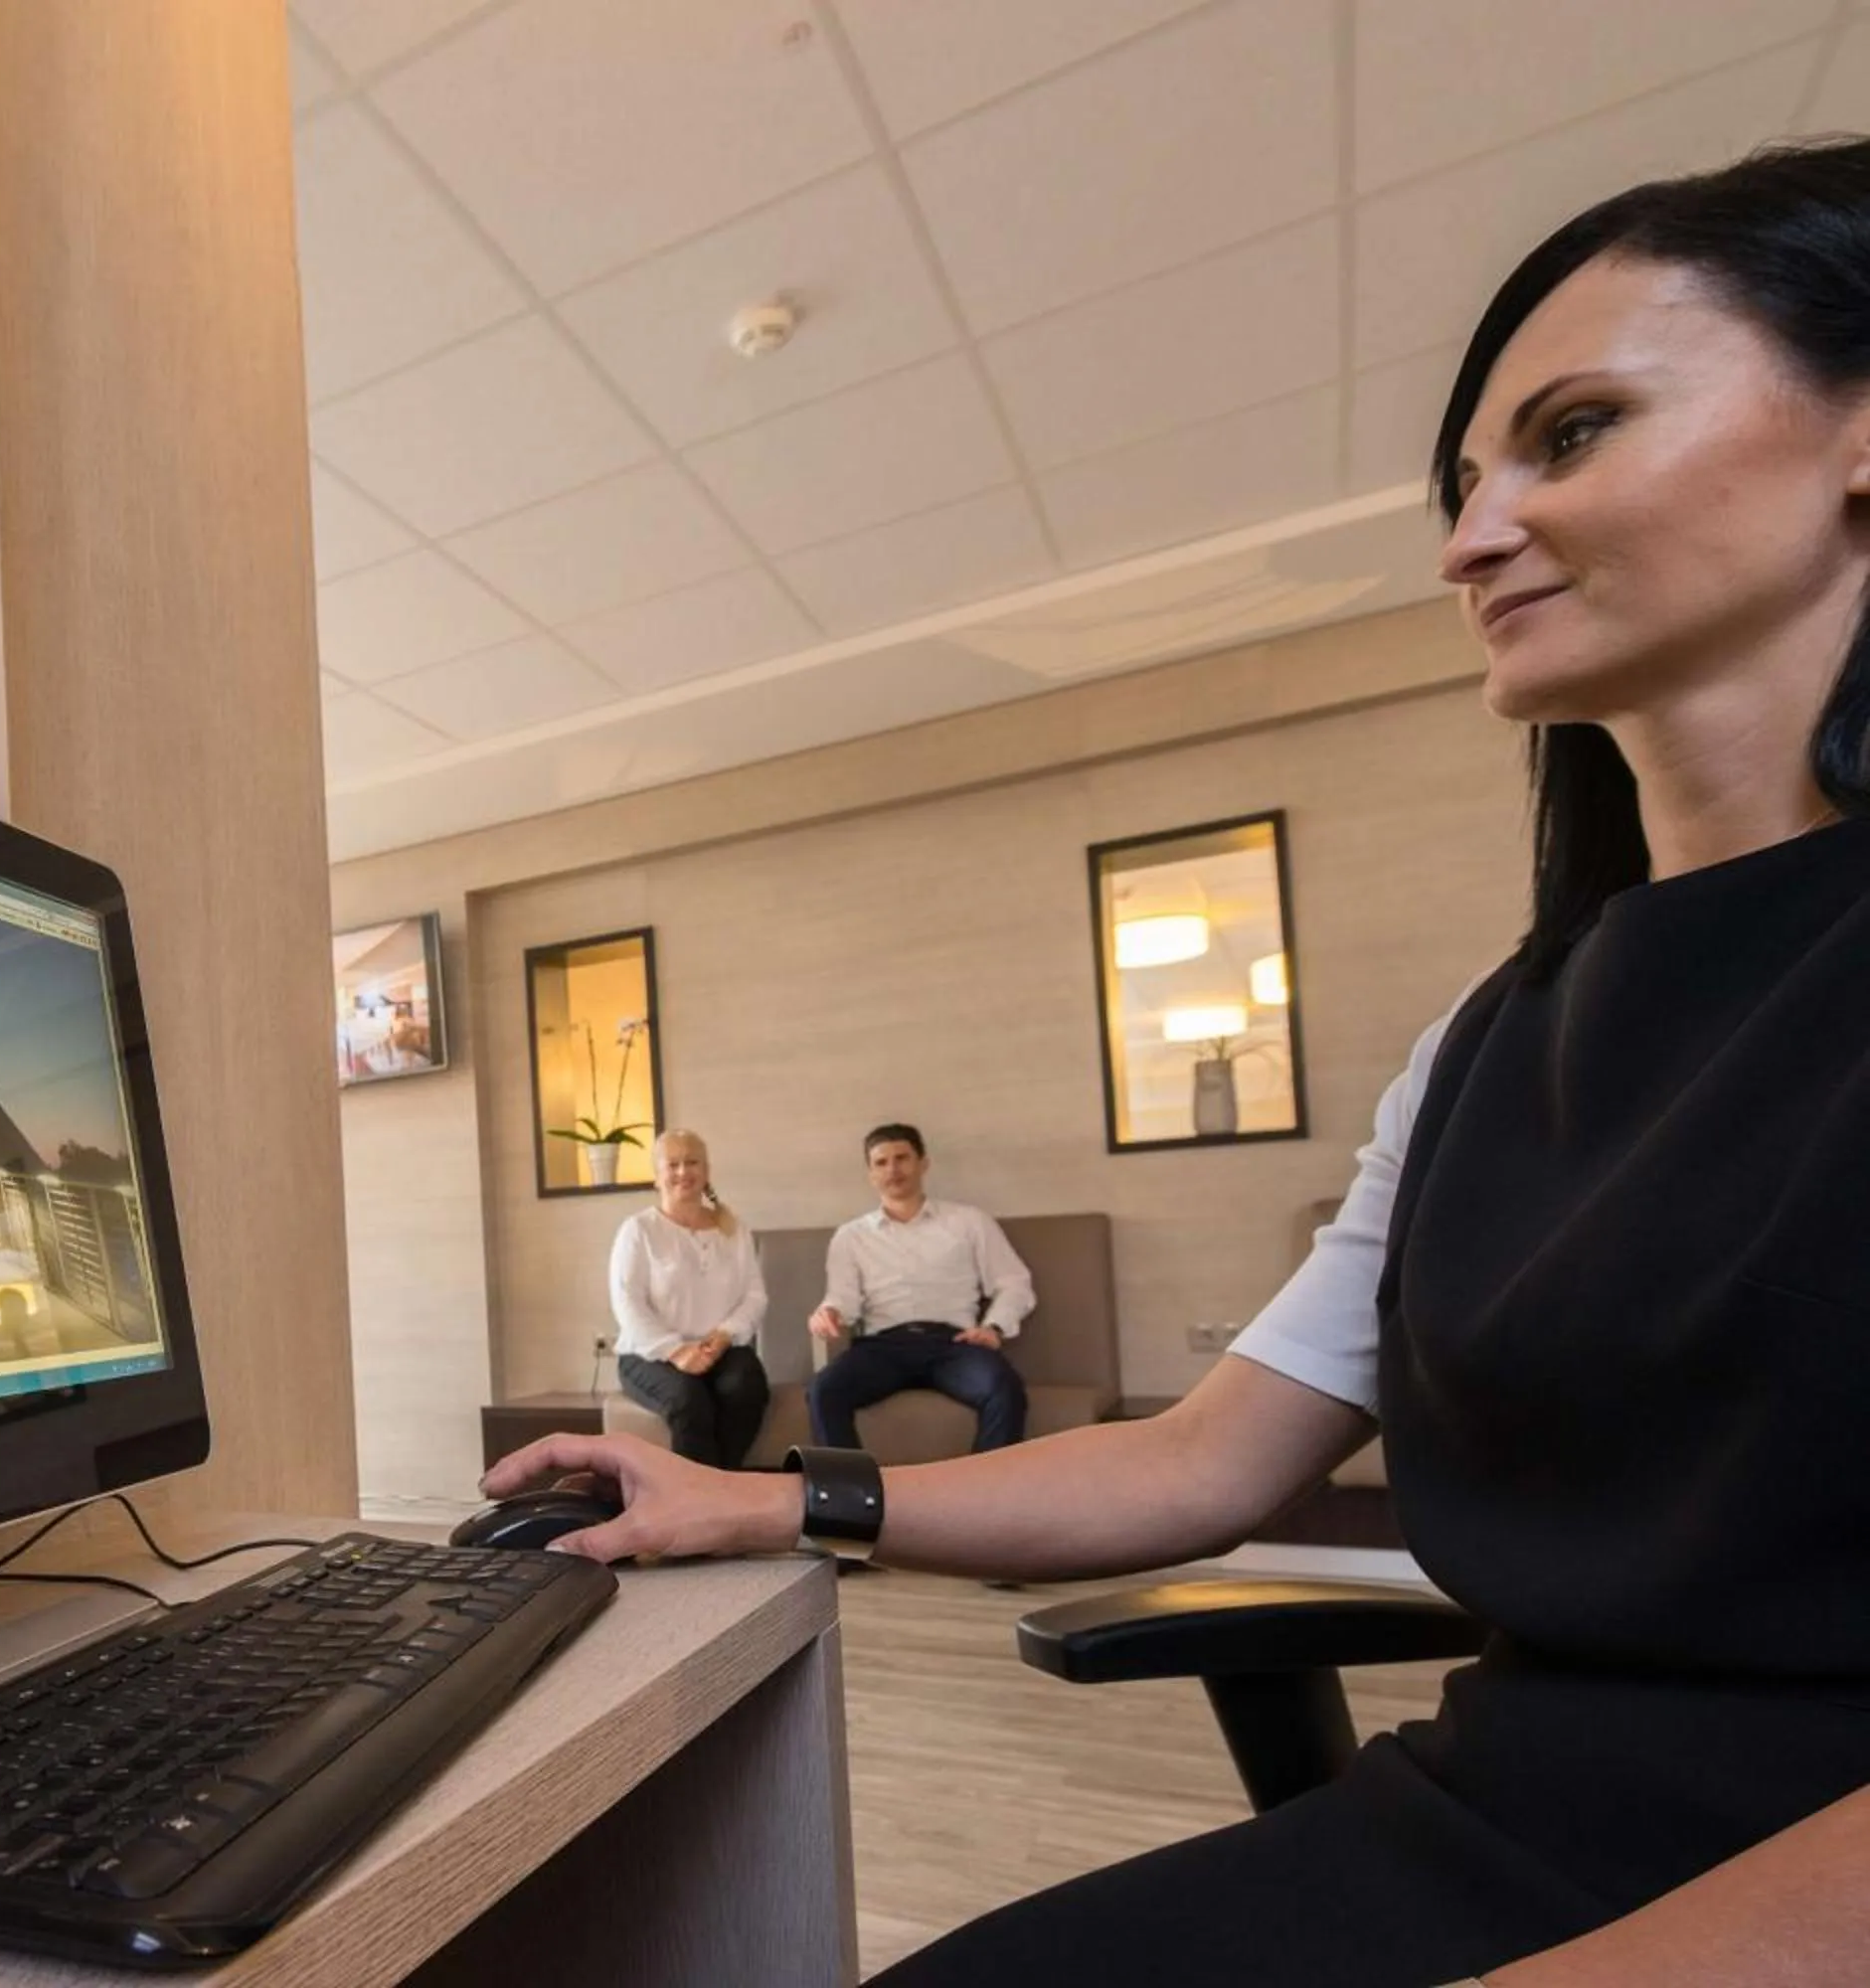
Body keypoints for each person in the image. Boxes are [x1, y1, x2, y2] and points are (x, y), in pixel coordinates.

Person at [485, 138, 1870, 1987]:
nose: (1470, 539)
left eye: (1573, 433)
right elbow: (1205, 1465)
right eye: (1463, 484)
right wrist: (755, 1502)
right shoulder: (1489, 1043)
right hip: (1502, 1818)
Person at [805, 1124, 1033, 1454]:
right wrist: (828, 1313)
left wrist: (993, 1327)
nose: (893, 1170)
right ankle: (850, 1498)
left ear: (923, 1164)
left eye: (902, 1158)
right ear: (870, 1173)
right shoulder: (850, 1236)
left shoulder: (969, 1222)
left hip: (953, 1344)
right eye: (881, 1163)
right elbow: (842, 1299)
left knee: (1004, 1387)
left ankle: (987, 1496)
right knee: (823, 1391)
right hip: (882, 1347)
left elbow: (1014, 1283)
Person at [606, 1128, 769, 1468]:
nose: (683, 1172)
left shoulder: (734, 1229)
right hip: (650, 1354)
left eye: (692, 1162)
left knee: (747, 1386)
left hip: (719, 1347)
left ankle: (720, 1485)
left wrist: (725, 1335)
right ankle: (700, 1500)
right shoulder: (639, 1230)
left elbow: (755, 1296)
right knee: (688, 1400)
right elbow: (628, 1304)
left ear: (706, 1171)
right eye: (673, 1164)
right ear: (657, 1176)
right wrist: (676, 1351)